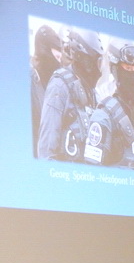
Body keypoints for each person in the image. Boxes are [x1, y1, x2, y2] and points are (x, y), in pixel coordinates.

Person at [84, 39, 134, 171]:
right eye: (128, 68)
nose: (133, 75)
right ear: (115, 70)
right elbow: (91, 170)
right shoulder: (103, 116)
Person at [36, 27, 103, 162]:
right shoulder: (60, 86)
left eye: (99, 61)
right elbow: (46, 150)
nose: (98, 68)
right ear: (82, 57)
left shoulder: (94, 94)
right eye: (94, 60)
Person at [31, 24, 62, 156]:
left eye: (60, 58)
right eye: (56, 57)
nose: (58, 62)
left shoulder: (52, 83)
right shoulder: (29, 81)